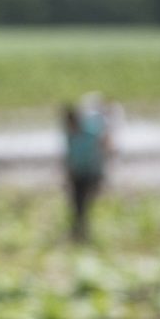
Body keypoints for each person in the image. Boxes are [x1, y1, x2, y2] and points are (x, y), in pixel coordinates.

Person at [63, 102, 106, 243]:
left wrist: (101, 173)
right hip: (77, 175)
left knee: (85, 204)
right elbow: (69, 156)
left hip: (89, 173)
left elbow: (103, 147)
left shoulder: (90, 132)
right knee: (76, 204)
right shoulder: (70, 134)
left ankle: (83, 233)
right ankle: (78, 232)